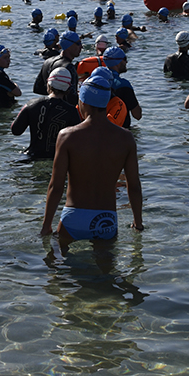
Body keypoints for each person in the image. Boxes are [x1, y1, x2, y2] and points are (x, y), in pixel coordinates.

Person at [40, 71, 142, 247]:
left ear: (83, 101)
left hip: (74, 217)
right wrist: (138, 223)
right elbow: (133, 186)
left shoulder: (67, 136)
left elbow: (56, 186)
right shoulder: (126, 138)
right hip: (105, 218)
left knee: (60, 264)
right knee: (106, 264)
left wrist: (46, 225)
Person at [11, 66, 80, 160]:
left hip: (30, 156)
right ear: (68, 89)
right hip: (56, 159)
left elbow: (15, 130)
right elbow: (77, 142)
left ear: (48, 84)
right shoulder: (72, 111)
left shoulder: (32, 104)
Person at [103, 46, 142, 127]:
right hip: (120, 130)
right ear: (117, 62)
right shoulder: (123, 85)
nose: (126, 62)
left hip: (99, 127)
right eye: (124, 59)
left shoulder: (95, 81)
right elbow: (137, 115)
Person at [34, 31, 81, 97]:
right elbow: (72, 98)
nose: (81, 47)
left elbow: (38, 89)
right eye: (78, 43)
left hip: (48, 102)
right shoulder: (69, 67)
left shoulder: (47, 61)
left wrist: (52, 94)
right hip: (63, 104)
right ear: (69, 45)